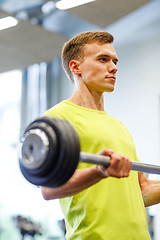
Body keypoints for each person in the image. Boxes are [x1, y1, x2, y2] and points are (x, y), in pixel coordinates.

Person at [41, 31, 160, 240]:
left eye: (114, 61)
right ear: (76, 67)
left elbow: (141, 191)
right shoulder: (58, 118)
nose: (114, 67)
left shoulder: (118, 126)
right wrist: (99, 171)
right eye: (103, 59)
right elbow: (49, 189)